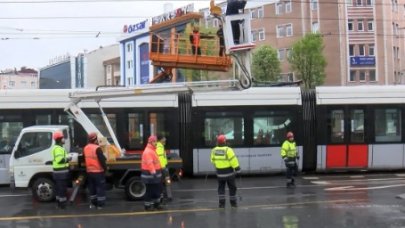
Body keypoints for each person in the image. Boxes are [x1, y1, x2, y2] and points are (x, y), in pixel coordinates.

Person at [210, 134, 241, 208]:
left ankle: (221, 204)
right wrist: (237, 169)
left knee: (221, 188)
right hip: (229, 174)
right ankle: (233, 203)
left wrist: (219, 165)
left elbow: (212, 161)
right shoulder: (228, 150)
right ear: (225, 142)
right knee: (232, 188)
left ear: (217, 142)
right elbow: (233, 160)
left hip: (219, 174)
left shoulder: (214, 150)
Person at [83, 132, 107, 209]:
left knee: (92, 188)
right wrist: (105, 169)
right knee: (100, 188)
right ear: (95, 139)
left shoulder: (86, 148)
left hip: (89, 172)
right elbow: (102, 160)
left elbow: (84, 158)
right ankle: (100, 204)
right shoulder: (97, 148)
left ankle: (93, 204)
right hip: (98, 172)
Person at [141, 135, 163, 211]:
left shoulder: (152, 150)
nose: (155, 143)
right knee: (150, 191)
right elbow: (150, 164)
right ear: (150, 142)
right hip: (150, 176)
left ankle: (157, 204)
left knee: (156, 191)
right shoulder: (148, 151)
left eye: (156, 141)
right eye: (154, 141)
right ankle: (148, 206)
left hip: (153, 175)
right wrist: (154, 173)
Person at [51, 131, 71, 209]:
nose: (64, 139)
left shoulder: (59, 148)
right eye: (62, 138)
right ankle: (62, 205)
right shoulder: (58, 149)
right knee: (62, 189)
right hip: (60, 173)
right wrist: (68, 159)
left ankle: (60, 203)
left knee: (59, 188)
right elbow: (60, 160)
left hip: (59, 173)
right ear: (59, 139)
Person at [156, 134, 172, 202]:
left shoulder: (161, 146)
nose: (165, 139)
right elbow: (159, 159)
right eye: (164, 138)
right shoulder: (159, 147)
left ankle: (166, 196)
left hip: (163, 168)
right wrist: (163, 167)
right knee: (166, 182)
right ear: (161, 139)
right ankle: (167, 196)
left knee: (165, 182)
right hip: (163, 169)